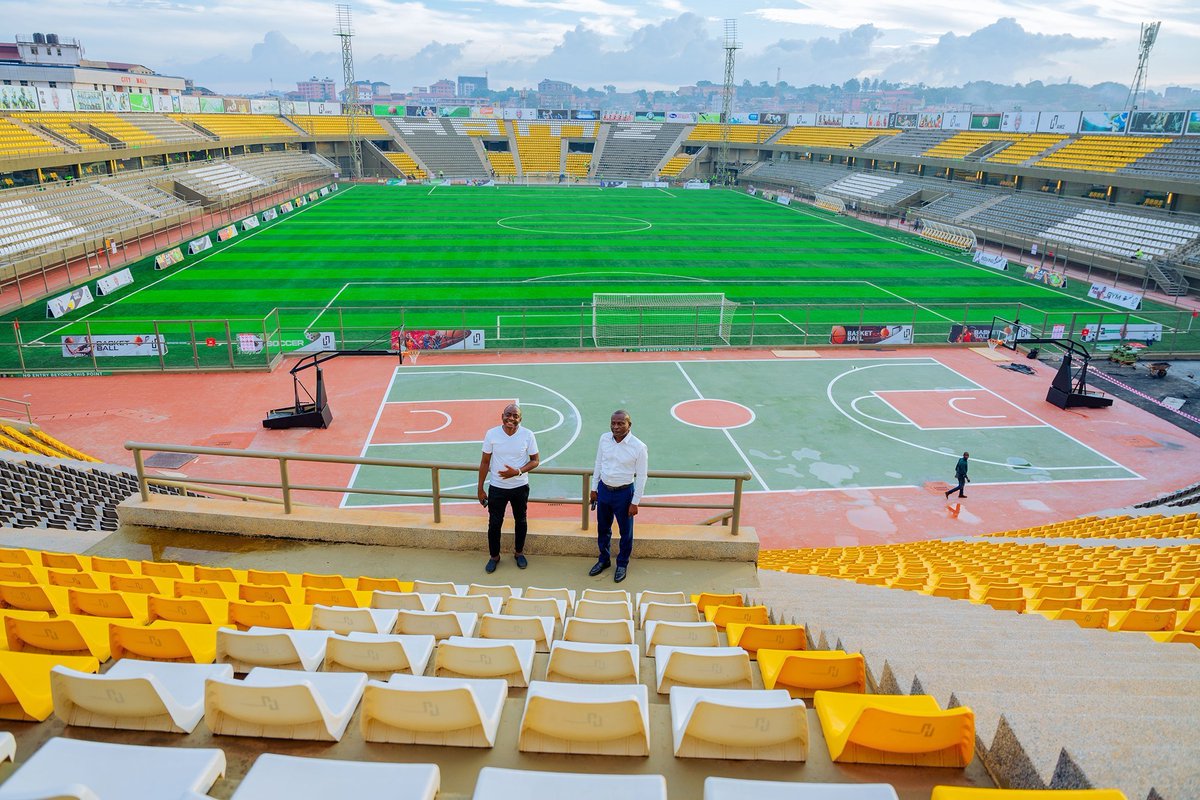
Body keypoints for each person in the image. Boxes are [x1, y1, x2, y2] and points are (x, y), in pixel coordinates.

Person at [477, 404, 539, 573]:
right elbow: (484, 462)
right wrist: (480, 488)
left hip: (520, 486)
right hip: (497, 487)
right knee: (495, 523)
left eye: (515, 416)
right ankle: (494, 557)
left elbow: (535, 460)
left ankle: (519, 553)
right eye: (508, 415)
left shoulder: (528, 435)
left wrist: (516, 472)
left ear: (520, 419)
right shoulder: (492, 434)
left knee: (521, 521)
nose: (511, 418)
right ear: (502, 416)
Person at [589, 410, 648, 583]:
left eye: (620, 423)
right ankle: (604, 560)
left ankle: (622, 564)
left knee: (626, 532)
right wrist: (594, 488)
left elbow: (642, 476)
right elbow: (598, 463)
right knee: (603, 529)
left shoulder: (639, 447)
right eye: (613, 423)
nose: (616, 427)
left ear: (629, 425)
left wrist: (635, 501)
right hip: (604, 490)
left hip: (624, 493)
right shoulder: (604, 439)